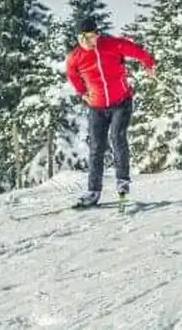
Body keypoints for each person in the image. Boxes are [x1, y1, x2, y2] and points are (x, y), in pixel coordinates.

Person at [65, 17, 156, 207]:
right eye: (83, 38)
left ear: (97, 35)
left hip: (121, 102)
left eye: (90, 37)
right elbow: (72, 76)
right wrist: (83, 93)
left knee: (117, 137)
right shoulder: (75, 57)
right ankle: (93, 192)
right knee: (97, 147)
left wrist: (148, 64)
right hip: (97, 107)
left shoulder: (112, 45)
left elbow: (136, 50)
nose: (87, 42)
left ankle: (122, 181)